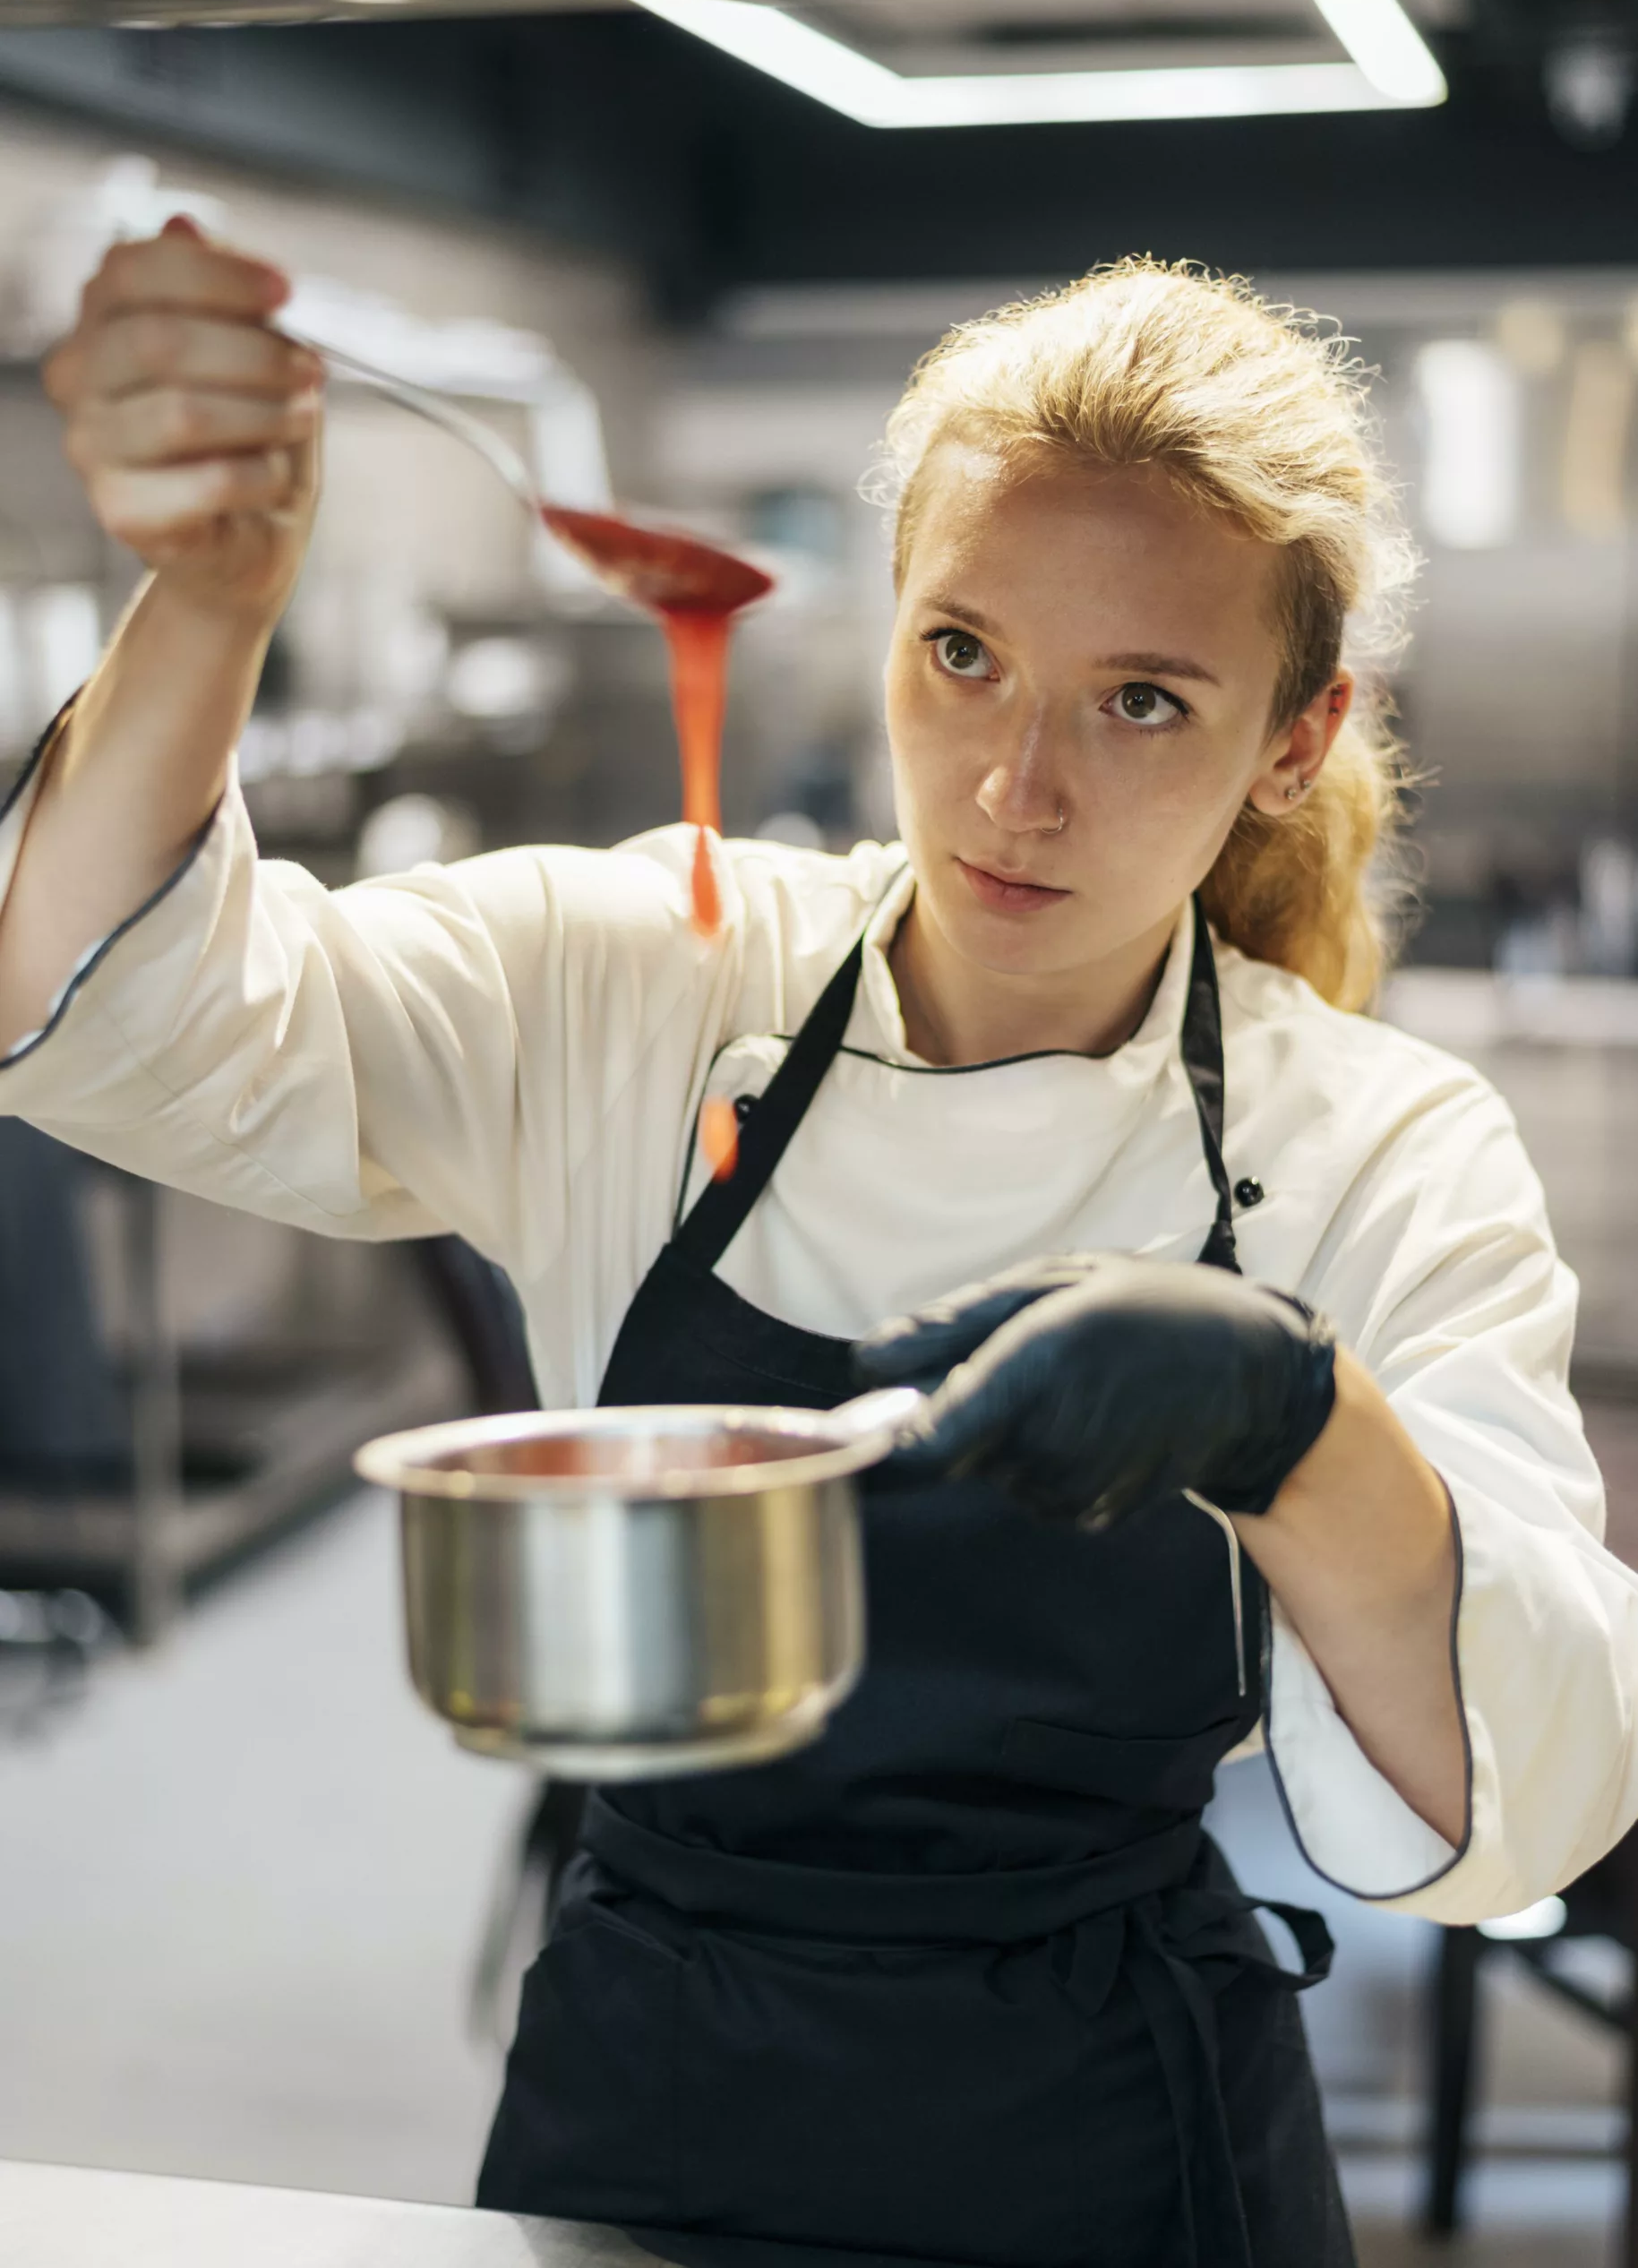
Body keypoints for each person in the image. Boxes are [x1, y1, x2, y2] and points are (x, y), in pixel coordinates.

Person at [2, 223, 1634, 2268]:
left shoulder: (1375, 1147)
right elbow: (107, 1017)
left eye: (1142, 701)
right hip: (658, 2081)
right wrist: (217, 599)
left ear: (1291, 740)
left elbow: (1536, 1786)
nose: (1014, 784)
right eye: (960, 653)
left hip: (1121, 2141)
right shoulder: (659, 978)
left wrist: (1295, 1428)